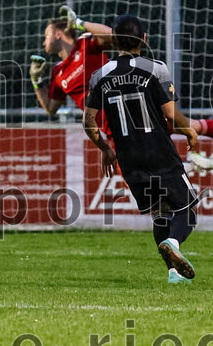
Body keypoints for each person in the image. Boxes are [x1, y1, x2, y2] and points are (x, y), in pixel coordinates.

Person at [30, 6, 213, 149]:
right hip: (112, 130)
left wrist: (81, 23)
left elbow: (118, 36)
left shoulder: (85, 44)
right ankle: (192, 167)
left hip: (134, 111)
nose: (44, 40)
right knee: (150, 179)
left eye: (46, 33)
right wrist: (35, 82)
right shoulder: (57, 73)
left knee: (190, 125)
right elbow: (51, 108)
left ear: (60, 32)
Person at [84, 14, 201, 284]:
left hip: (128, 157)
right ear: (144, 39)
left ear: (113, 41)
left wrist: (105, 148)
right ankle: (173, 242)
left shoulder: (99, 76)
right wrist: (189, 131)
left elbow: (88, 122)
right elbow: (171, 115)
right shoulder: (155, 68)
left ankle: (174, 273)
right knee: (187, 209)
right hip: (158, 151)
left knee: (160, 212)